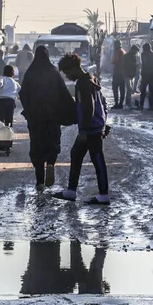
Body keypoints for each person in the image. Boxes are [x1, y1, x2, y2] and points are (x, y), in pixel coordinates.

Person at [53, 54, 110, 205]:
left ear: (73, 68)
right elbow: (103, 102)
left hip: (90, 128)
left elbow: (89, 107)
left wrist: (84, 130)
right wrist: (104, 122)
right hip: (95, 126)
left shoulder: (83, 84)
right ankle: (71, 191)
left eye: (67, 73)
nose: (67, 76)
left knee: (97, 158)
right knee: (77, 154)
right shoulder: (91, 78)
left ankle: (103, 195)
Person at [19, 46, 72, 191]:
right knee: (52, 142)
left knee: (37, 146)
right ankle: (50, 164)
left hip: (35, 118)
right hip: (52, 116)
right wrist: (71, 110)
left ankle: (39, 182)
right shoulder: (54, 72)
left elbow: (23, 94)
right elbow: (63, 93)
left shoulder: (30, 73)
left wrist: (29, 110)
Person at [122, 44, 139, 109]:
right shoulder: (126, 56)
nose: (136, 53)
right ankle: (127, 103)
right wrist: (135, 64)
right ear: (133, 50)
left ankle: (128, 103)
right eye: (136, 51)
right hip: (126, 74)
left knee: (130, 89)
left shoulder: (134, 56)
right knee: (129, 88)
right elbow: (126, 65)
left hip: (131, 75)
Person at [110, 40, 126, 110]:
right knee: (122, 89)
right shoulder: (123, 51)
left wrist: (112, 61)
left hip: (117, 73)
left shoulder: (117, 51)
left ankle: (116, 103)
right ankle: (121, 104)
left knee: (115, 88)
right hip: (123, 73)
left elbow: (115, 61)